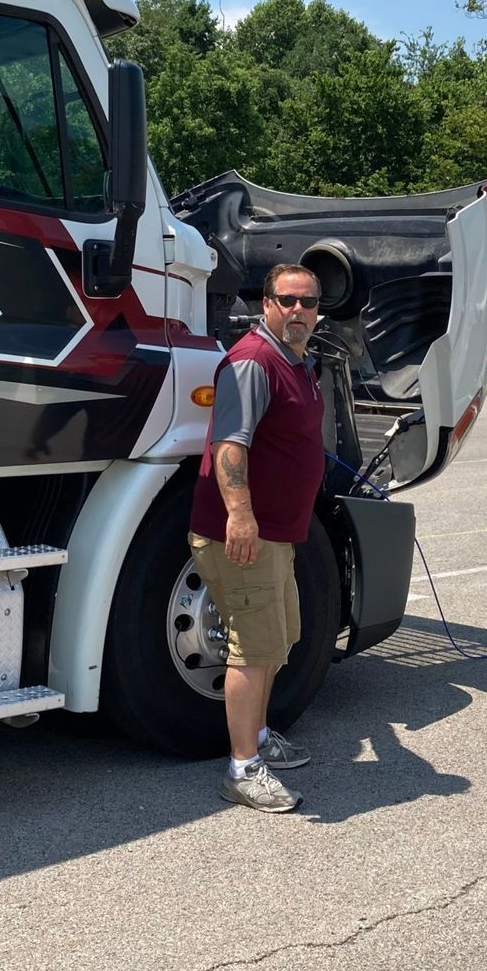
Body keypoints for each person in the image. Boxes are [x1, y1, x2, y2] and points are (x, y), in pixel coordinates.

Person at [188, 262, 327, 812]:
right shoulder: (252, 362)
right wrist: (240, 516)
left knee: (276, 640)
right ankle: (243, 768)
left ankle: (261, 736)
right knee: (253, 648)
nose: (298, 311)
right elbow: (230, 445)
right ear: (266, 303)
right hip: (248, 534)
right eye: (287, 300)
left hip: (276, 534)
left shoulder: (295, 361)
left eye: (308, 302)